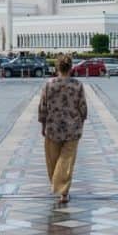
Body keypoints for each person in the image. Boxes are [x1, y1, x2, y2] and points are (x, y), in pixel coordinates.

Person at [38, 54, 87, 203]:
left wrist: (43, 124)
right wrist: (81, 122)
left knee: (52, 160)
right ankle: (63, 191)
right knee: (67, 160)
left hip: (53, 128)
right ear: (71, 68)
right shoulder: (77, 85)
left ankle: (58, 186)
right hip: (73, 128)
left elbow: (43, 106)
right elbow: (83, 107)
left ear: (57, 68)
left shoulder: (49, 84)